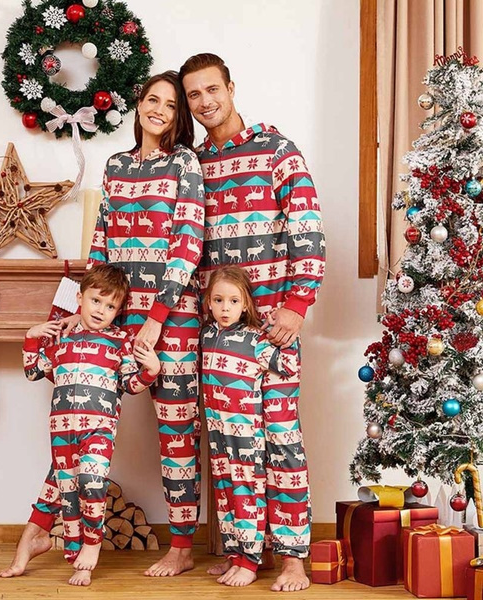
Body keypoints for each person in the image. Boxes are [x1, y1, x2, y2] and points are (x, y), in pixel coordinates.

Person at [180, 53, 325, 592]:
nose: (205, 102)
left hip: (274, 329)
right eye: (193, 95)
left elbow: (307, 231)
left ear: (231, 87)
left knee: (281, 443)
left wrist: (297, 304)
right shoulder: (191, 164)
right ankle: (245, 551)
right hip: (218, 335)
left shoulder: (277, 151)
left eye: (212, 89)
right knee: (230, 448)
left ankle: (292, 559)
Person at [86, 70, 205, 577]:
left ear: (179, 117)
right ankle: (65, 532)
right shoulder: (114, 164)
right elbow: (101, 238)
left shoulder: (184, 163)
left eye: (171, 105)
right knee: (85, 415)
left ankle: (180, 546)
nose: (159, 109)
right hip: (114, 317)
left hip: (170, 320)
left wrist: (156, 318)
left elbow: (187, 246)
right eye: (152, 99)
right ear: (138, 103)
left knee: (175, 434)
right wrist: (80, 309)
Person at [0, 264, 160, 586]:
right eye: (96, 301)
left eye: (111, 306)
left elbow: (130, 384)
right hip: (61, 432)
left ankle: (91, 545)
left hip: (98, 430)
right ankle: (56, 547)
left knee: (91, 479)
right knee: (67, 488)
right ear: (80, 298)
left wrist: (151, 371)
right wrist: (31, 338)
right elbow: (34, 372)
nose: (102, 310)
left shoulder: (120, 343)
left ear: (119, 310)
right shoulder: (62, 341)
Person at [201, 266, 300, 587]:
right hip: (218, 434)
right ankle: (235, 555)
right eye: (218, 300)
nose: (225, 308)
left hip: (247, 436)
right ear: (209, 303)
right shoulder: (206, 335)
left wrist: (286, 337)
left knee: (246, 494)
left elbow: (286, 365)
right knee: (226, 494)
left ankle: (250, 561)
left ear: (245, 305)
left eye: (233, 301)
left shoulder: (255, 339)